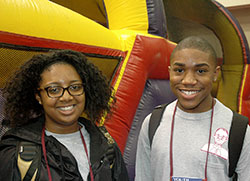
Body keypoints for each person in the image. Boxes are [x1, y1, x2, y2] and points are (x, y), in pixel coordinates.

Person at [0, 49, 129, 181]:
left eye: (75, 87)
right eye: (54, 90)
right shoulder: (17, 153)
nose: (66, 97)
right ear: (38, 96)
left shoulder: (106, 145)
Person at [135, 36, 250, 180]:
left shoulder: (238, 129)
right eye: (179, 70)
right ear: (170, 72)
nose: (188, 80)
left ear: (215, 74)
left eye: (201, 71)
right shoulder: (153, 123)